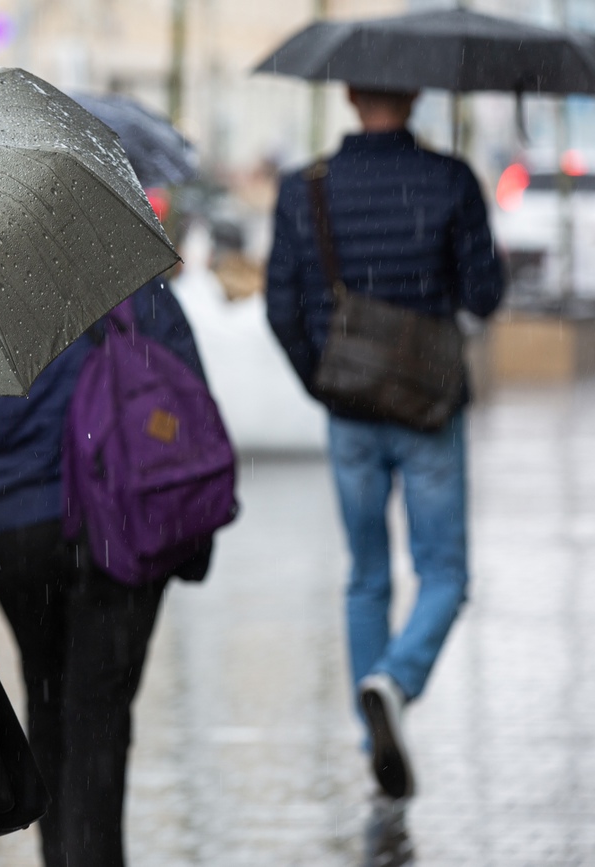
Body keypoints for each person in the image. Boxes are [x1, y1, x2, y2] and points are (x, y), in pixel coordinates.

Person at [265, 86, 505, 805]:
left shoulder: (306, 187)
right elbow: (484, 294)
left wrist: (324, 379)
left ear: (348, 94)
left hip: (350, 407)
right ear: (416, 94)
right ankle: (394, 682)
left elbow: (282, 304)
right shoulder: (449, 178)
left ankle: (377, 739)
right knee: (445, 572)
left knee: (366, 574)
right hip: (429, 404)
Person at [0, 275, 212, 867]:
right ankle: (92, 854)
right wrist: (191, 537)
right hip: (123, 534)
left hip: (21, 540)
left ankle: (62, 854)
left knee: (49, 699)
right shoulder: (137, 291)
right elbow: (190, 410)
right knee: (99, 714)